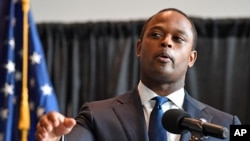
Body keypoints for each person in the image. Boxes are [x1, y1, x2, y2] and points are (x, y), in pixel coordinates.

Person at [35, 8, 241, 141]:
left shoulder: (227, 125)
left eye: (178, 38)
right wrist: (56, 139)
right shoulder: (96, 116)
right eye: (156, 34)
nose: (166, 42)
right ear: (139, 48)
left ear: (191, 58)